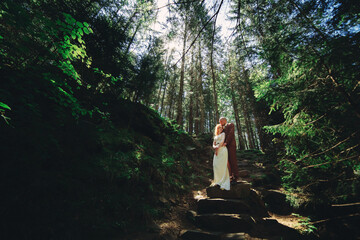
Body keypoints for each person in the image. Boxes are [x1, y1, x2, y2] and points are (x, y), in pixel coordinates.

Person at [220, 117, 239, 184]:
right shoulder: (222, 128)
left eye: (221, 121)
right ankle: (230, 176)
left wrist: (226, 142)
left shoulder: (231, 125)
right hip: (225, 147)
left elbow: (230, 134)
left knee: (233, 160)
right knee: (227, 161)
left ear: (224, 120)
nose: (220, 123)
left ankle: (235, 177)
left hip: (231, 145)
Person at [211, 124, 230, 190]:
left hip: (222, 150)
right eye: (219, 128)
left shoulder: (223, 134)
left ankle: (222, 180)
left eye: (222, 128)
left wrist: (217, 148)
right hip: (217, 151)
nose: (221, 129)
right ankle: (217, 181)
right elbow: (213, 143)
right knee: (215, 165)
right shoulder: (216, 136)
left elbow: (222, 142)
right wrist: (215, 147)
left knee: (222, 165)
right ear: (217, 128)